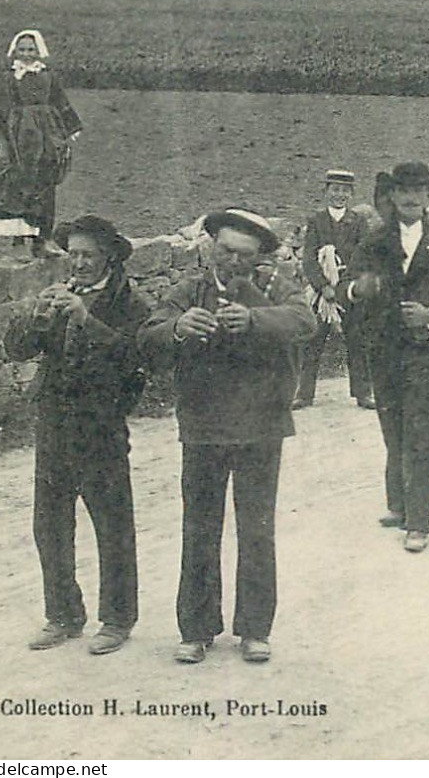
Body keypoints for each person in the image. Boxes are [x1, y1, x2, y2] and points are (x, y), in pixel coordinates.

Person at [139, 208, 315, 664]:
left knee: (257, 530)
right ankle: (196, 629)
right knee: (199, 528)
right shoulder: (189, 290)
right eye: (225, 251)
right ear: (209, 247)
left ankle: (255, 629)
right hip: (203, 426)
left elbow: (305, 321)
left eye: (244, 255)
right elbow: (149, 333)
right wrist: (177, 328)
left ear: (259, 257)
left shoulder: (274, 286)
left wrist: (256, 320)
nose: (232, 261)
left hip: (261, 425)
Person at [5, 215, 148, 655]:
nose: (79, 263)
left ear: (108, 257)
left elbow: (134, 358)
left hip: (101, 425)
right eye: (74, 255)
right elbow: (17, 350)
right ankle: (63, 615)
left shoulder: (129, 302)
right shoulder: (63, 295)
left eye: (88, 255)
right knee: (49, 524)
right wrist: (36, 317)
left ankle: (118, 619)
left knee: (111, 524)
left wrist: (86, 319)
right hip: (54, 422)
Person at [345, 163, 429, 553]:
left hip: (421, 352)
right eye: (403, 190)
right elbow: (344, 287)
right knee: (393, 428)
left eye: (418, 190)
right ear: (392, 196)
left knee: (420, 432)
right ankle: (399, 505)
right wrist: (357, 289)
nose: (411, 197)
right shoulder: (373, 241)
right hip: (381, 349)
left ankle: (419, 521)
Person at [0, 30, 83, 258]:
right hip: (18, 137)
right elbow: (0, 107)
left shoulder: (48, 76)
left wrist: (70, 128)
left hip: (47, 136)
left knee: (45, 184)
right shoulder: (9, 78)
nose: (27, 54)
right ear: (15, 51)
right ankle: (18, 241)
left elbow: (60, 101)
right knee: (18, 183)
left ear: (39, 51)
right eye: (22, 50)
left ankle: (42, 240)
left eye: (31, 50)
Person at [294, 169, 374, 410]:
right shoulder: (316, 221)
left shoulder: (358, 222)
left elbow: (364, 256)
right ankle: (304, 394)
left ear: (351, 194)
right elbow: (309, 258)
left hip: (349, 291)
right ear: (326, 191)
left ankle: (362, 393)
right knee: (313, 340)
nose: (339, 195)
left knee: (357, 341)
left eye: (344, 191)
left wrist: (345, 286)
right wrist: (323, 286)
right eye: (335, 189)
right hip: (323, 295)